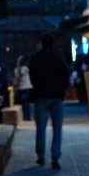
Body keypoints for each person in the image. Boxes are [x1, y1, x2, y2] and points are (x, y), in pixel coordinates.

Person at [30, 34, 69, 168]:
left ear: (42, 43)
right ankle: (55, 156)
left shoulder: (36, 58)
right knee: (57, 128)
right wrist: (62, 88)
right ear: (53, 44)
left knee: (41, 128)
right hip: (57, 96)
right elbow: (65, 75)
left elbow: (32, 76)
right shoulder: (58, 58)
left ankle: (40, 156)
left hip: (40, 96)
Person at [13, 55, 33, 120]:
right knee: (25, 104)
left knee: (23, 104)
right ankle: (26, 117)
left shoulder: (22, 69)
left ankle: (25, 118)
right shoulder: (24, 69)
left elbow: (18, 77)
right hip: (25, 88)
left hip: (23, 88)